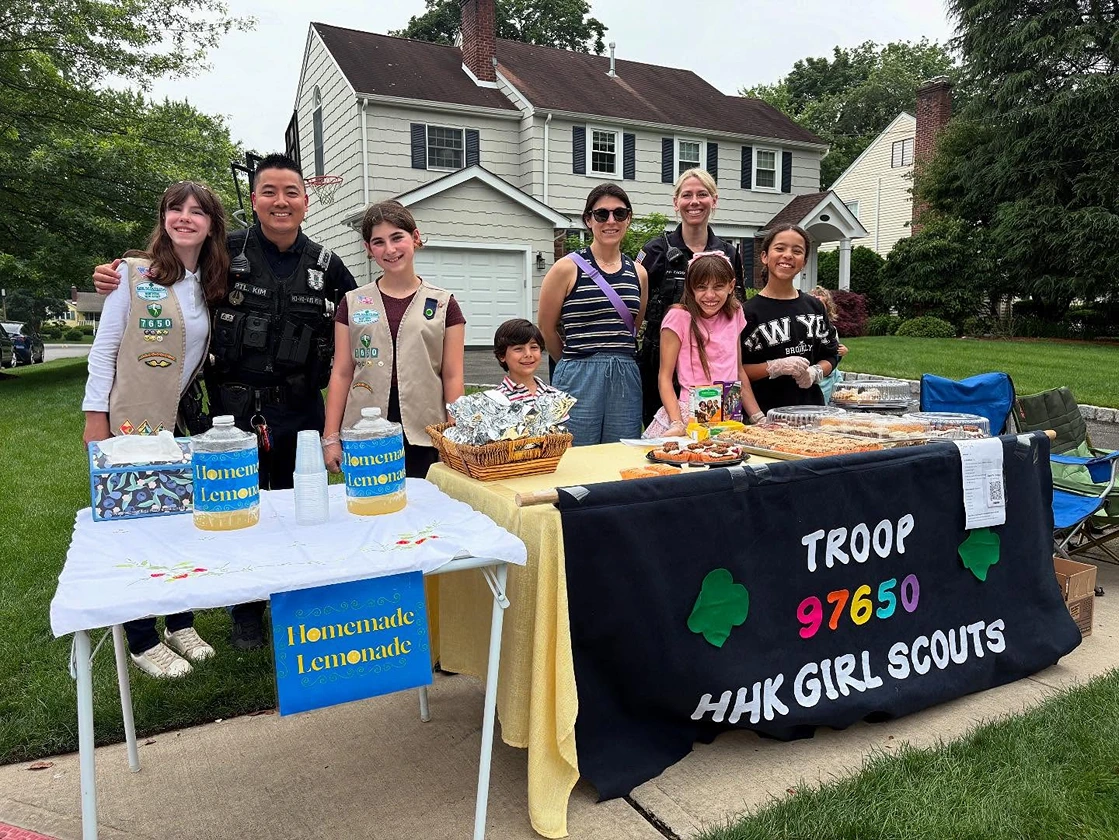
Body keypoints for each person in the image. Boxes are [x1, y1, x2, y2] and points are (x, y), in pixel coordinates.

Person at [93, 154, 357, 649]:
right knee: (241, 511)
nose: (281, 201)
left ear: (305, 199)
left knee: (303, 509)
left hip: (299, 410)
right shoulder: (224, 254)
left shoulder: (328, 265)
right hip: (228, 415)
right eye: (269, 192)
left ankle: (298, 604)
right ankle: (246, 612)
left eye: (291, 192)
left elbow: (362, 319)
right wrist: (114, 276)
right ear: (253, 200)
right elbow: (166, 272)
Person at [82, 181, 229, 677]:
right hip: (130, 421)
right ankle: (142, 639)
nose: (184, 218)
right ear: (163, 217)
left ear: (211, 225)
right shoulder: (131, 275)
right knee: (136, 529)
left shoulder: (206, 282)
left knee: (178, 524)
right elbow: (103, 352)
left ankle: (179, 620)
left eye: (196, 212)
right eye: (175, 209)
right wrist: (94, 418)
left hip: (181, 421)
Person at [322, 201, 465, 479]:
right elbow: (341, 373)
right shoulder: (352, 303)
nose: (390, 249)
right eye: (379, 242)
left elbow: (452, 375)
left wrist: (456, 432)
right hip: (365, 427)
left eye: (397, 237)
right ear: (368, 249)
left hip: (424, 428)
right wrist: (331, 436)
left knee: (424, 513)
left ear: (415, 237)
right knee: (369, 507)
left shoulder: (443, 304)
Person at [537, 183, 648, 445]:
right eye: (602, 214)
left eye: (619, 214)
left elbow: (633, 326)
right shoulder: (565, 269)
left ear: (628, 218)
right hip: (579, 373)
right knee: (575, 454)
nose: (611, 221)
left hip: (625, 375)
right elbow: (546, 328)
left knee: (621, 454)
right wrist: (573, 361)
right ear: (589, 220)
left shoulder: (639, 273)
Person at [635, 168, 745, 425]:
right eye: (687, 195)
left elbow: (735, 305)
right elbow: (634, 305)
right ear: (676, 203)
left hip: (709, 369)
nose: (694, 202)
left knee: (712, 439)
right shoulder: (655, 250)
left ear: (714, 200)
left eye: (702, 194)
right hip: (659, 365)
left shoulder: (728, 253)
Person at [643, 253, 764, 438]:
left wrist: (758, 417)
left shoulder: (735, 312)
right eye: (701, 287)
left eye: (718, 287)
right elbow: (664, 377)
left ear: (731, 286)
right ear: (690, 288)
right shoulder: (679, 317)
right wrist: (676, 422)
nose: (710, 295)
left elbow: (738, 371)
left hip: (729, 414)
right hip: (688, 416)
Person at [740, 224, 840, 413]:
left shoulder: (815, 307)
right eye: (779, 248)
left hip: (812, 410)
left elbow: (831, 355)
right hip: (765, 414)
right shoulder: (746, 313)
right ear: (764, 256)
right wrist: (773, 367)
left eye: (797, 251)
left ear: (804, 262)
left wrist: (815, 372)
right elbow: (735, 369)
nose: (787, 255)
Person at [492, 318, 560, 402]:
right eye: (518, 349)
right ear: (502, 355)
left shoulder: (555, 396)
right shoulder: (495, 400)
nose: (528, 354)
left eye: (534, 347)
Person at [809, 286, 849, 404]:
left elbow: (834, 349)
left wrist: (843, 350)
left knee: (839, 400)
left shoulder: (831, 329)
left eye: (821, 304)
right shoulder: (807, 329)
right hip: (817, 375)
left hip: (833, 375)